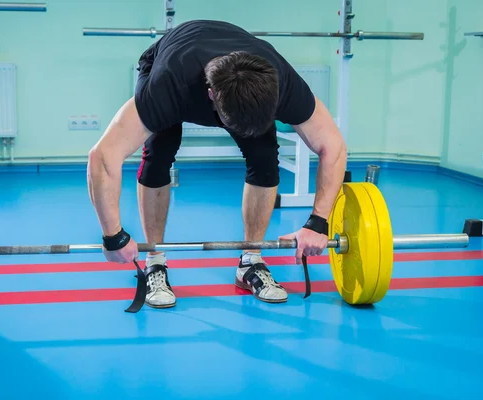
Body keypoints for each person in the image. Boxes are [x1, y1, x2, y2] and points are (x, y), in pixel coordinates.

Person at [87, 19, 347, 308]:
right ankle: (154, 261)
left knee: (264, 156)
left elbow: (332, 145)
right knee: (158, 153)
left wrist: (318, 223)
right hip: (171, 58)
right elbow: (103, 157)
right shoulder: (167, 85)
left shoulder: (282, 82)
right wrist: (113, 237)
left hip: (237, 75)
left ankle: (250, 262)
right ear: (211, 98)